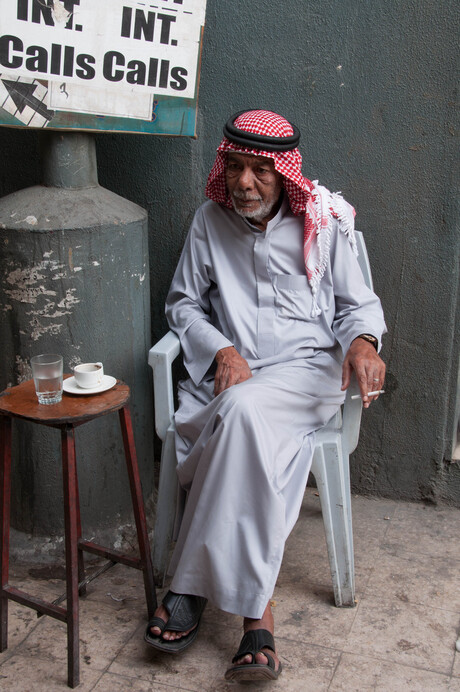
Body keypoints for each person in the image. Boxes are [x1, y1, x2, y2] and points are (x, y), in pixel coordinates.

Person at [144, 109, 386, 682]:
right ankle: (256, 617)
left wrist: (364, 343)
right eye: (235, 167)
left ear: (285, 175)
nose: (244, 182)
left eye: (261, 170)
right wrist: (221, 349)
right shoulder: (209, 220)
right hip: (234, 375)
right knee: (242, 417)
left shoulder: (320, 221)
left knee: (243, 411)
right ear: (222, 166)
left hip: (305, 374)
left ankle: (189, 589)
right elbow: (182, 304)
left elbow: (360, 306)